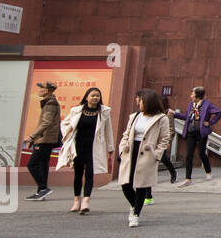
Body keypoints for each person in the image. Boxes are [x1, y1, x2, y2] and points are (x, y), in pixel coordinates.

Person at [118, 89, 172, 228]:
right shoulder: (135, 116)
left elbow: (165, 139)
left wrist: (156, 154)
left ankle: (135, 214)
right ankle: (134, 205)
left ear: (147, 102)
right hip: (131, 151)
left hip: (147, 154)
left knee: (141, 185)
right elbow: (126, 133)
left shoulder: (161, 118)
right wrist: (122, 149)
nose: (138, 102)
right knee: (125, 184)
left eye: (140, 100)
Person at [56, 87, 114, 215]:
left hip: (94, 147)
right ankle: (76, 200)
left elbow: (108, 130)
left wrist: (110, 148)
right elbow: (64, 124)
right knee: (78, 174)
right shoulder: (76, 111)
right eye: (92, 95)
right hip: (78, 146)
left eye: (97, 96)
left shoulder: (104, 112)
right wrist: (69, 131)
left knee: (89, 174)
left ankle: (86, 201)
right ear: (86, 97)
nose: (95, 98)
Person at [168, 86, 221, 186]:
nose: (191, 95)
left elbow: (219, 112)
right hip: (190, 132)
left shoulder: (207, 105)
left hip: (201, 132)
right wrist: (174, 113)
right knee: (189, 155)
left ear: (198, 95)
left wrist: (210, 122)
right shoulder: (191, 105)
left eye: (192, 93)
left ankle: (208, 171)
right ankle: (188, 179)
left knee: (202, 153)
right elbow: (186, 117)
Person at [25, 82, 62, 200]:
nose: (39, 90)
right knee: (42, 164)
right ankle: (41, 192)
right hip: (45, 138)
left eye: (41, 88)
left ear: (46, 90)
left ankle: (43, 188)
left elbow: (46, 122)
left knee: (32, 164)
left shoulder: (50, 103)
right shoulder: (49, 102)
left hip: (46, 139)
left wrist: (31, 136)